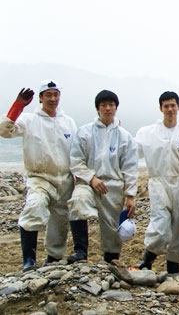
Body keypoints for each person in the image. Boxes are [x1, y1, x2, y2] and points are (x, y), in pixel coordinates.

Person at [0, 80, 77, 271]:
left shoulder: (68, 122)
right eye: (48, 95)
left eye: (55, 94)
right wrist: (17, 106)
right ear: (41, 98)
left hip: (64, 178)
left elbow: (76, 150)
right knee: (34, 207)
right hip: (39, 177)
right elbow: (5, 131)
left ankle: (54, 257)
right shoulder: (28, 119)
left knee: (60, 220)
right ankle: (28, 260)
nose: (52, 99)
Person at [68, 90, 138, 264]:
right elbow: (76, 160)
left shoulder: (124, 137)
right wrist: (91, 178)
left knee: (112, 228)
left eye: (111, 105)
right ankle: (80, 252)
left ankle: (111, 261)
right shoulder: (84, 132)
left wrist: (130, 196)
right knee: (78, 202)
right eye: (103, 105)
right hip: (88, 182)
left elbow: (130, 167)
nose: (108, 109)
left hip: (113, 186)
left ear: (116, 108)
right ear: (97, 109)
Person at [134, 91, 179, 274]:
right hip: (158, 183)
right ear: (160, 108)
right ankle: (147, 260)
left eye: (173, 105)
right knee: (160, 224)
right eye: (166, 106)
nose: (170, 109)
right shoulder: (148, 133)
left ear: (178, 107)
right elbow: (131, 154)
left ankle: (173, 269)